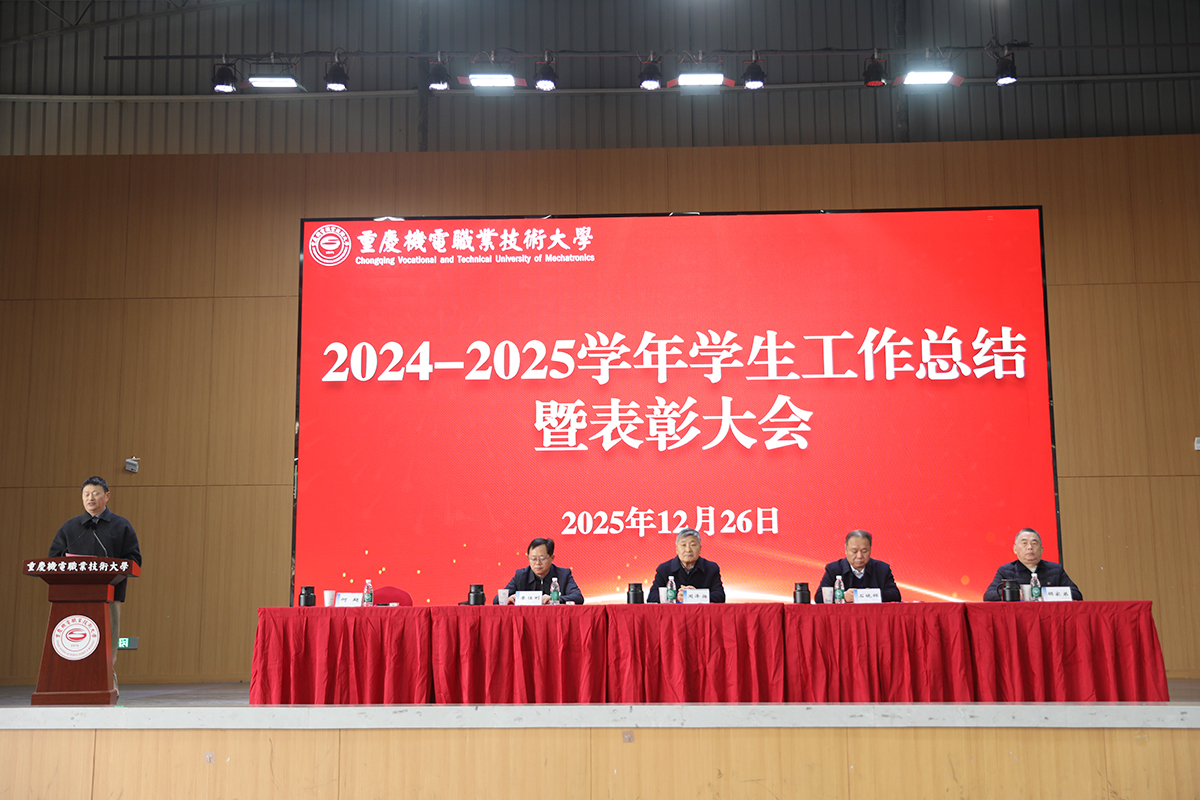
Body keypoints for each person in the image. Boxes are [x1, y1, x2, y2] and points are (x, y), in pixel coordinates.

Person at [48, 477, 142, 689]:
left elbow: (134, 560)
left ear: (107, 496)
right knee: (76, 639)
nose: (90, 498)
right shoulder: (70, 527)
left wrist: (112, 569)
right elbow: (53, 560)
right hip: (73, 597)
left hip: (110, 594)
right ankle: (72, 681)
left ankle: (108, 680)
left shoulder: (121, 525)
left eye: (96, 493)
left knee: (108, 639)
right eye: (86, 494)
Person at [983, 528, 1082, 601]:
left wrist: (1048, 594)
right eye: (1024, 543)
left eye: (1034, 543)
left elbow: (1077, 595)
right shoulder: (1005, 571)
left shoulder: (1056, 570)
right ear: (1015, 549)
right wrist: (1011, 594)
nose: (1030, 547)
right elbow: (988, 596)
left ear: (1041, 549)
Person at [815, 529, 901, 603]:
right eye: (854, 551)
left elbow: (895, 595)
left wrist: (872, 595)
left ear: (870, 549)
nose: (859, 556)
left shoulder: (882, 569)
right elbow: (819, 597)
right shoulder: (833, 569)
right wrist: (843, 596)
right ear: (846, 549)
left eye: (864, 551)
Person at [496, 537, 584, 604]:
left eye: (542, 558)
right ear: (528, 558)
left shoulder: (563, 575)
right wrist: (508, 599)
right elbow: (496, 599)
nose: (538, 563)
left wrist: (555, 599)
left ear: (552, 558)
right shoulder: (521, 576)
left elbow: (578, 598)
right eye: (533, 559)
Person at [648, 528, 726, 603]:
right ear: (677, 549)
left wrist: (695, 595)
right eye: (683, 545)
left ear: (700, 548)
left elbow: (720, 596)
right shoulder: (664, 569)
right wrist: (675, 597)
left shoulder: (711, 568)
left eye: (693, 545)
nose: (688, 549)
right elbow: (652, 597)